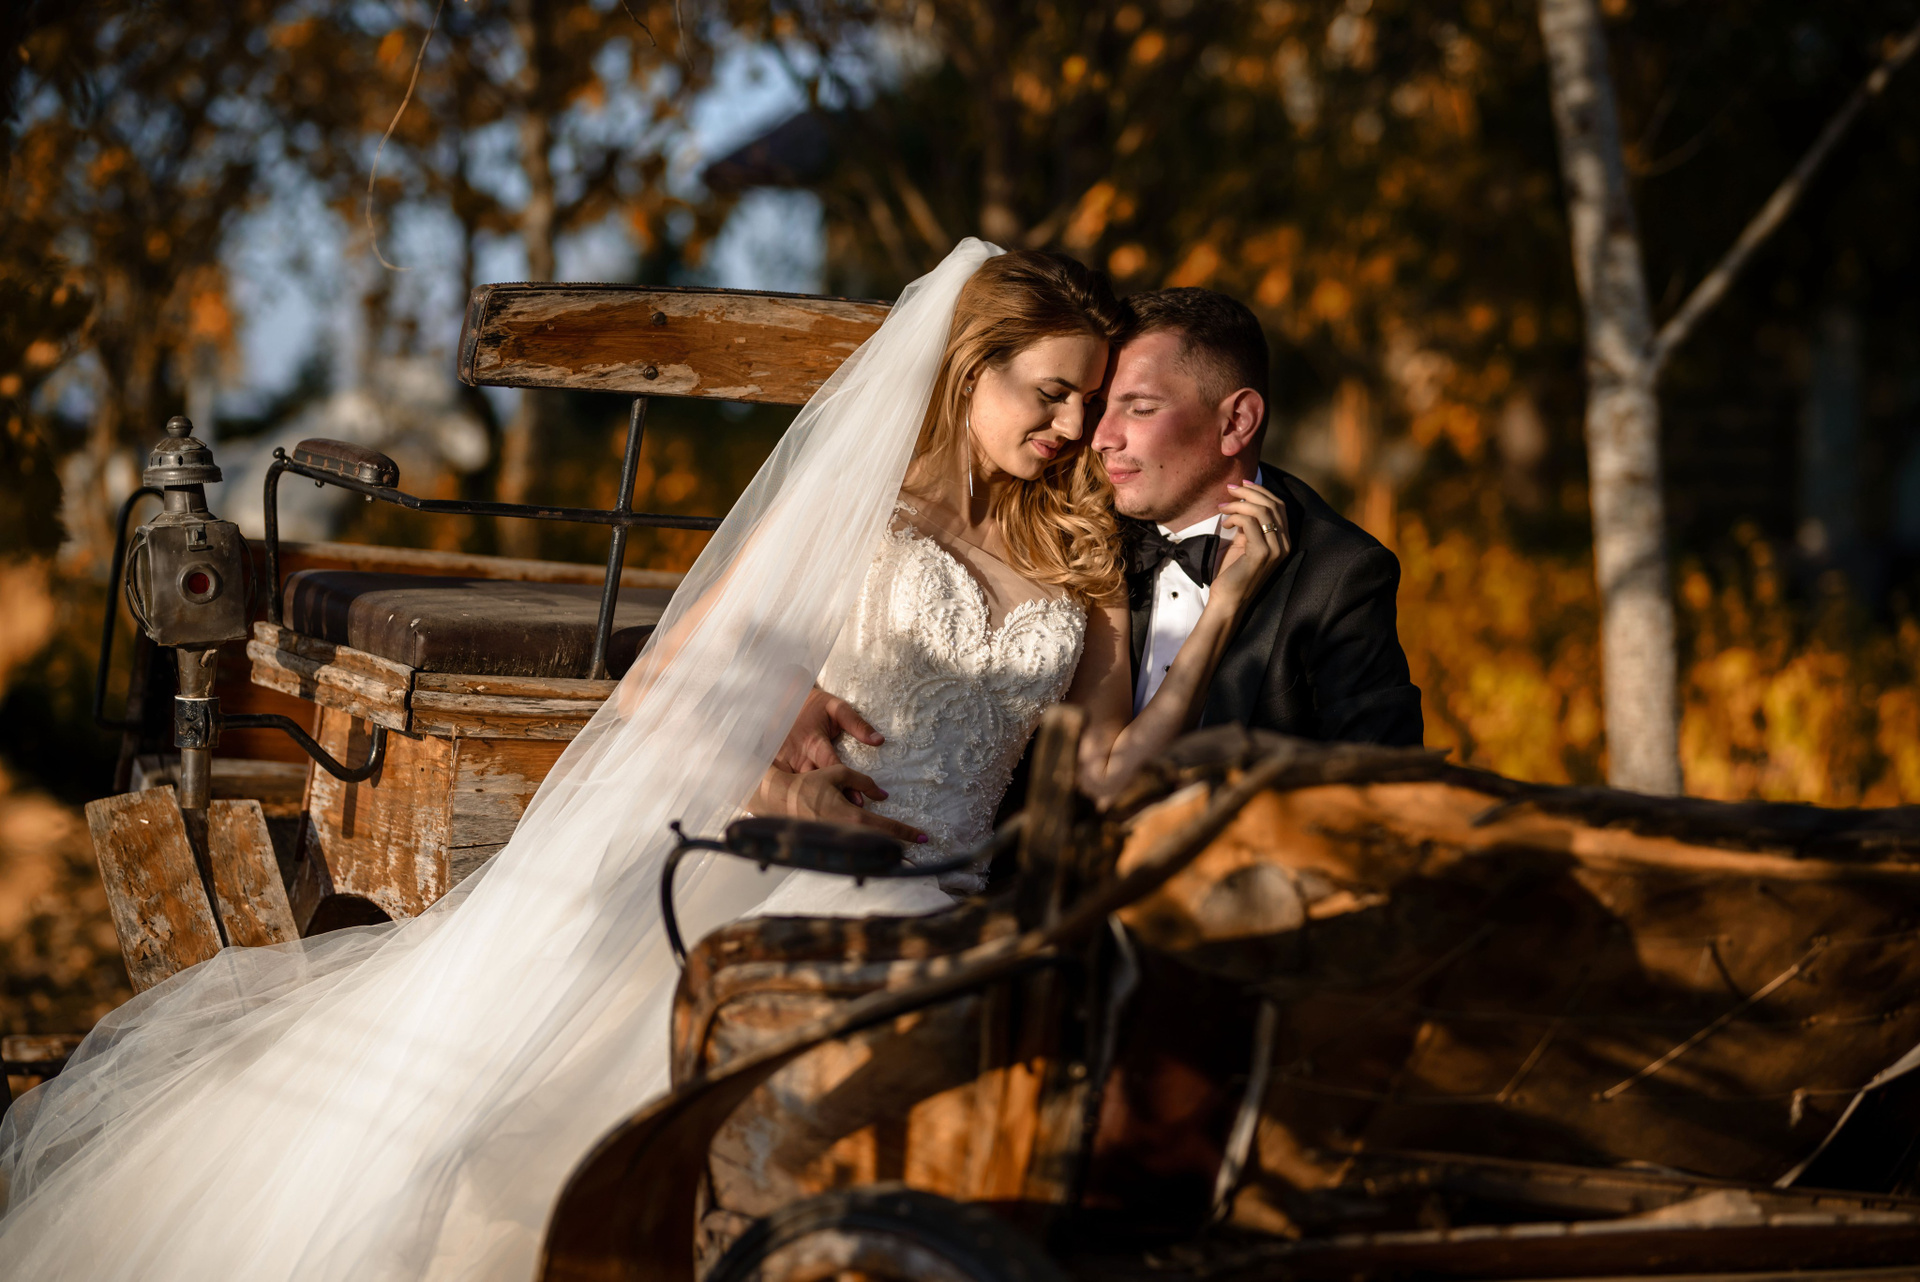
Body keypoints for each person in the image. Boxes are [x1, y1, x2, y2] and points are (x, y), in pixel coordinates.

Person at [0, 241, 1281, 1281]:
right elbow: (674, 678)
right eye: (1045, 391)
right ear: (966, 374)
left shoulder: (1078, 556)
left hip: (950, 896)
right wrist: (776, 752)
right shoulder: (868, 511)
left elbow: (1107, 770)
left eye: (1087, 399)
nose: (1070, 425)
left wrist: (1225, 605)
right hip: (792, 860)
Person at [1097, 287, 1423, 745]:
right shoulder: (1078, 533)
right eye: (1098, 407)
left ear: (1237, 422)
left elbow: (1377, 771)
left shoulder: (1339, 574)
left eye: (1141, 409)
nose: (1101, 437)